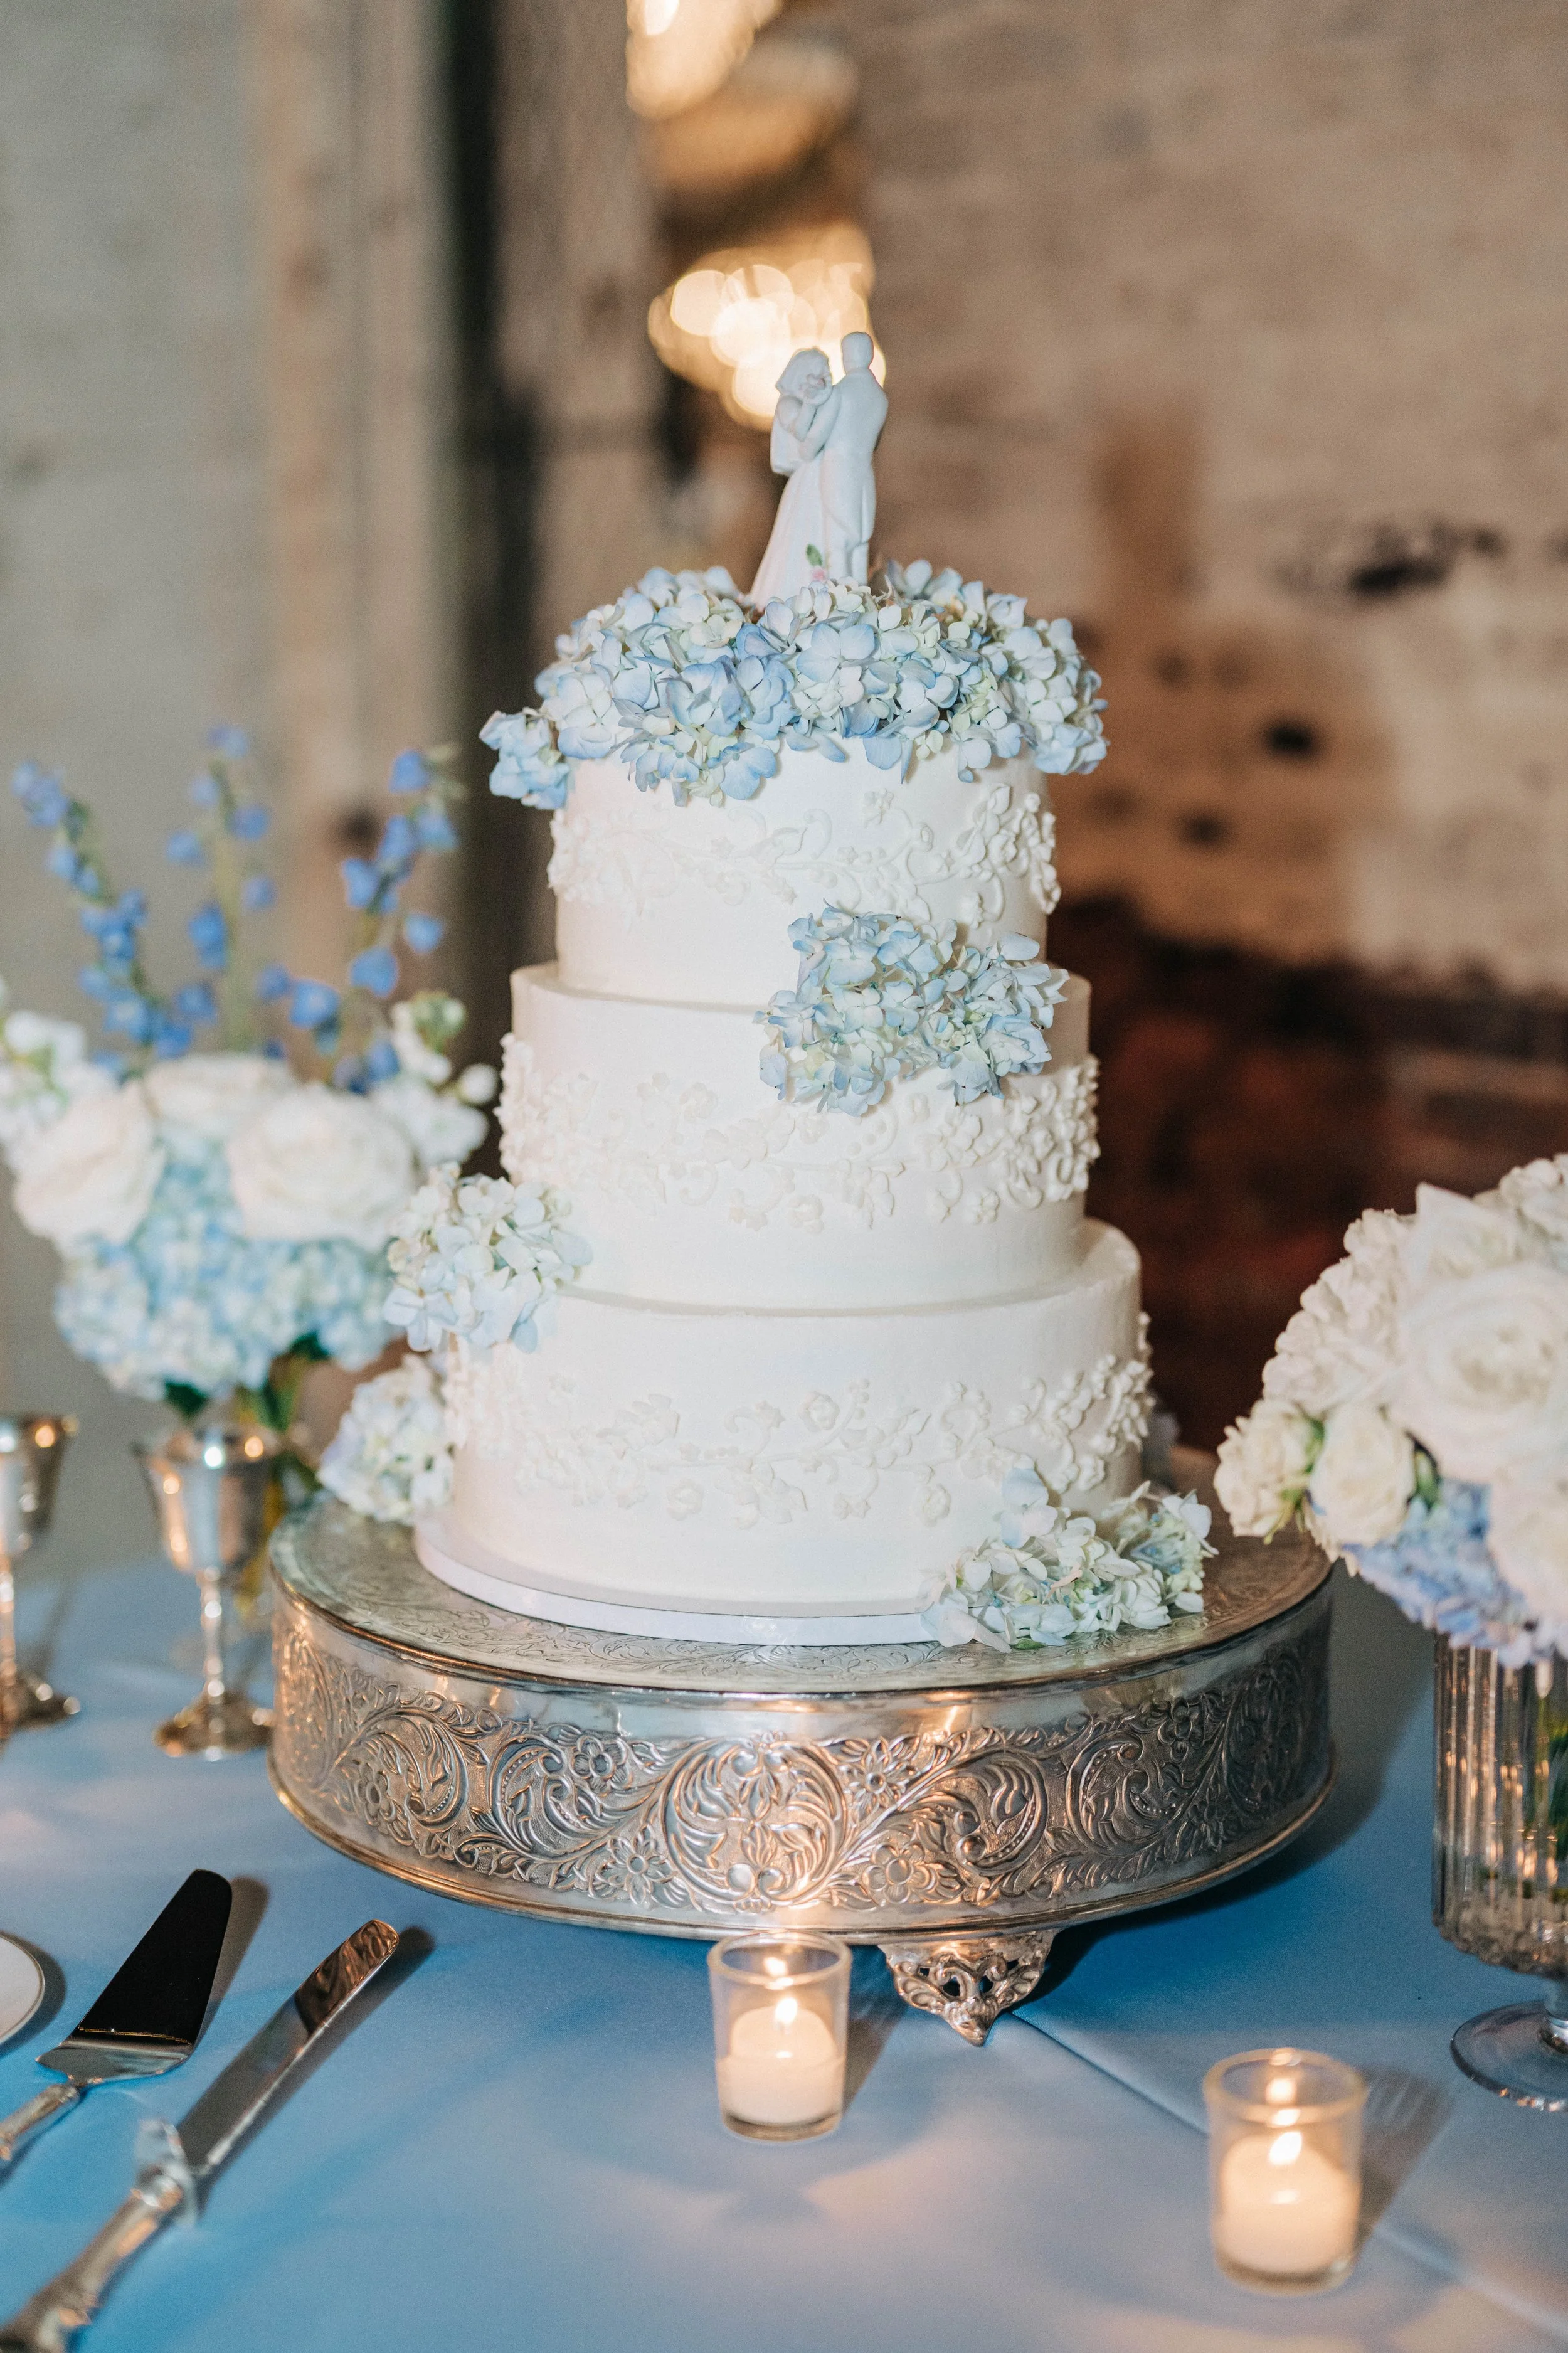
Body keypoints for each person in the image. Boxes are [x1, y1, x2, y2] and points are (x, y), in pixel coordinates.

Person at [748, 347, 834, 607]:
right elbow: (800, 430)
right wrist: (812, 401)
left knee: (823, 530)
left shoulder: (815, 401)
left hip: (821, 474)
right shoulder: (789, 403)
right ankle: (799, 593)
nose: (821, 380)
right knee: (805, 529)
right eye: (815, 374)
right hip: (807, 477)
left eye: (825, 374)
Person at [817, 331, 887, 585]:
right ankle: (859, 597)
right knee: (860, 540)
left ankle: (837, 602)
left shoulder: (839, 393)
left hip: (839, 469)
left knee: (837, 541)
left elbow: (817, 438)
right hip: (864, 471)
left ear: (846, 356)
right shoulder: (880, 398)